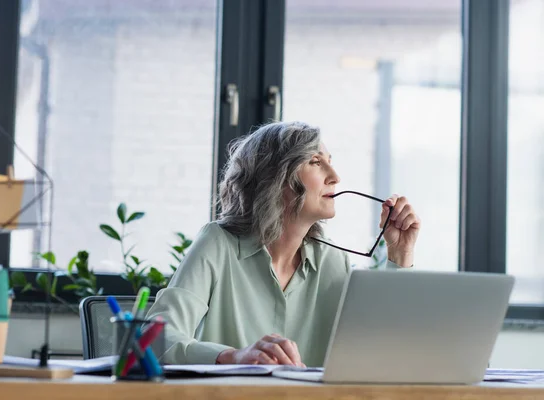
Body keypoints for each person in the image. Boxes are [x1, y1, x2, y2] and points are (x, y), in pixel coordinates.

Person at [146, 121, 421, 367]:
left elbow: (383, 352)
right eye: (316, 162)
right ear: (277, 178)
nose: (335, 176)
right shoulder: (218, 243)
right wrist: (234, 357)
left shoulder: (331, 259)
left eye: (330, 161)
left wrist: (400, 253)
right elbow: (154, 339)